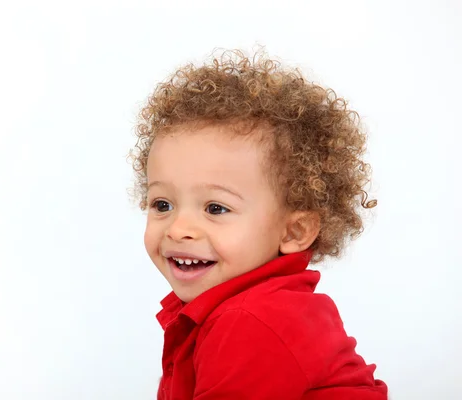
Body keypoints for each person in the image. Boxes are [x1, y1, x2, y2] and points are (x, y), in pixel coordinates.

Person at [129, 48, 388, 399]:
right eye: (163, 204)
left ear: (294, 231)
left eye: (216, 208)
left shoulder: (250, 322)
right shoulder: (244, 308)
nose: (178, 229)